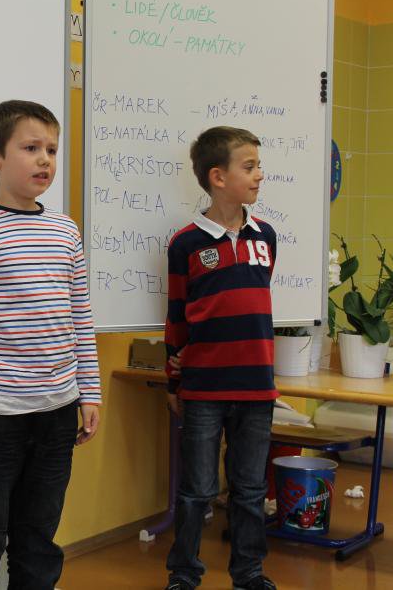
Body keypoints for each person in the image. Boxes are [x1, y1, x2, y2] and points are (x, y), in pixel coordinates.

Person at [0, 99, 101, 588]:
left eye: (51, 149)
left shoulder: (65, 231)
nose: (45, 159)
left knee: (39, 541)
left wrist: (90, 393)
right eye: (30, 148)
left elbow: (80, 318)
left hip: (57, 413)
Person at [164, 126, 277, 590]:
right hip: (204, 388)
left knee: (250, 491)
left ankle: (248, 573)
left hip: (257, 389)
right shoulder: (186, 244)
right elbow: (177, 317)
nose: (259, 175)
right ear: (218, 177)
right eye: (249, 167)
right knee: (196, 491)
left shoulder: (266, 236)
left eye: (258, 165)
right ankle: (184, 575)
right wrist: (174, 382)